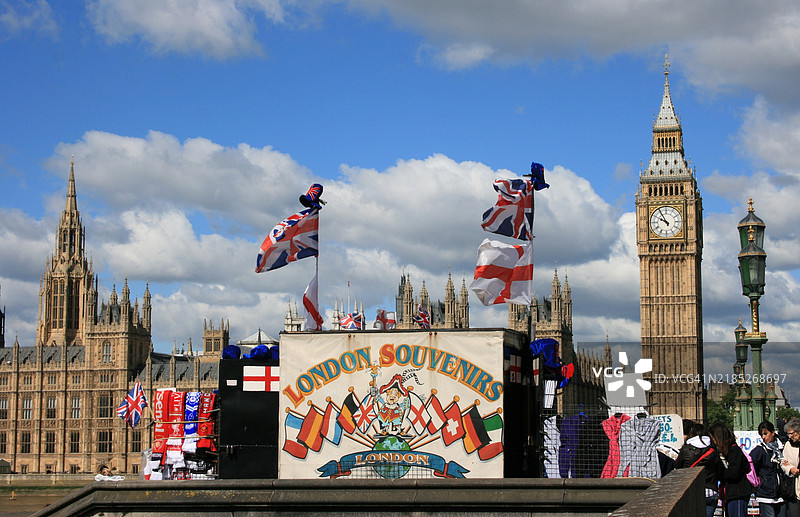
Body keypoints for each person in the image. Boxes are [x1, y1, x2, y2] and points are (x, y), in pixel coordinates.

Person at [675, 422, 721, 517]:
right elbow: (719, 471)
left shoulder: (686, 449)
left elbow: (677, 468)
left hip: (691, 491)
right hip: (710, 491)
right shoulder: (713, 450)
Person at [709, 422, 752, 517]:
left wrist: (720, 472)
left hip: (738, 492)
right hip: (731, 493)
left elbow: (733, 473)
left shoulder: (734, 451)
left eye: (713, 438)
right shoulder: (726, 451)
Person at [751, 421, 785, 517]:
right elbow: (751, 468)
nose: (763, 437)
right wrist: (759, 483)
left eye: (766, 434)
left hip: (781, 493)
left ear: (773, 433)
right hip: (765, 493)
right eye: (761, 435)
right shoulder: (759, 450)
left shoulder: (781, 448)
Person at [781, 418, 800, 517]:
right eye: (788, 434)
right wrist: (791, 469)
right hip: (793, 489)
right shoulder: (788, 445)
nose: (790, 436)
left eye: (792, 433)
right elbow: (783, 462)